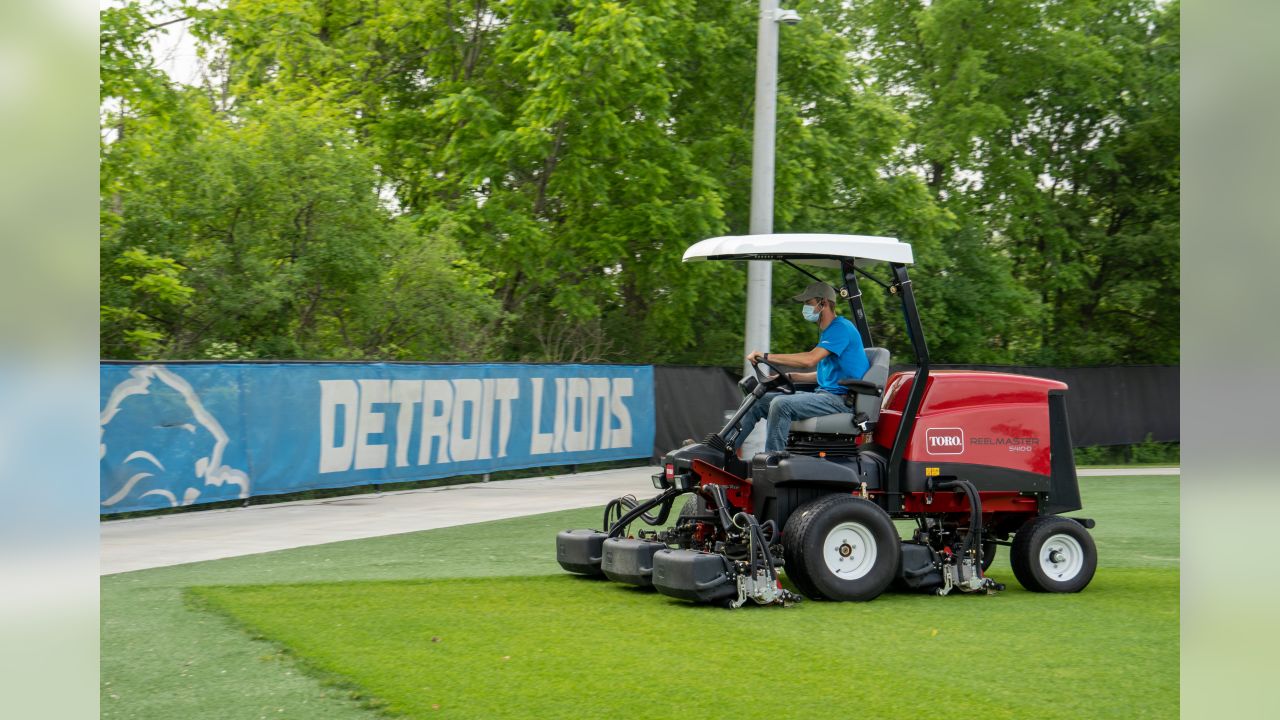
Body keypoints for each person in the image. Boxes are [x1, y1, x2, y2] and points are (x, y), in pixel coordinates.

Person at [739, 281, 870, 453]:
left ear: (823, 303)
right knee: (756, 401)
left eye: (808, 303)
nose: (805, 308)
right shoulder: (829, 332)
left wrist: (765, 356)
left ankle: (771, 463)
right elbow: (826, 376)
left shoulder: (841, 329)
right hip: (826, 395)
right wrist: (790, 377)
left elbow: (809, 359)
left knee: (781, 404)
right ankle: (722, 452)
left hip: (841, 400)